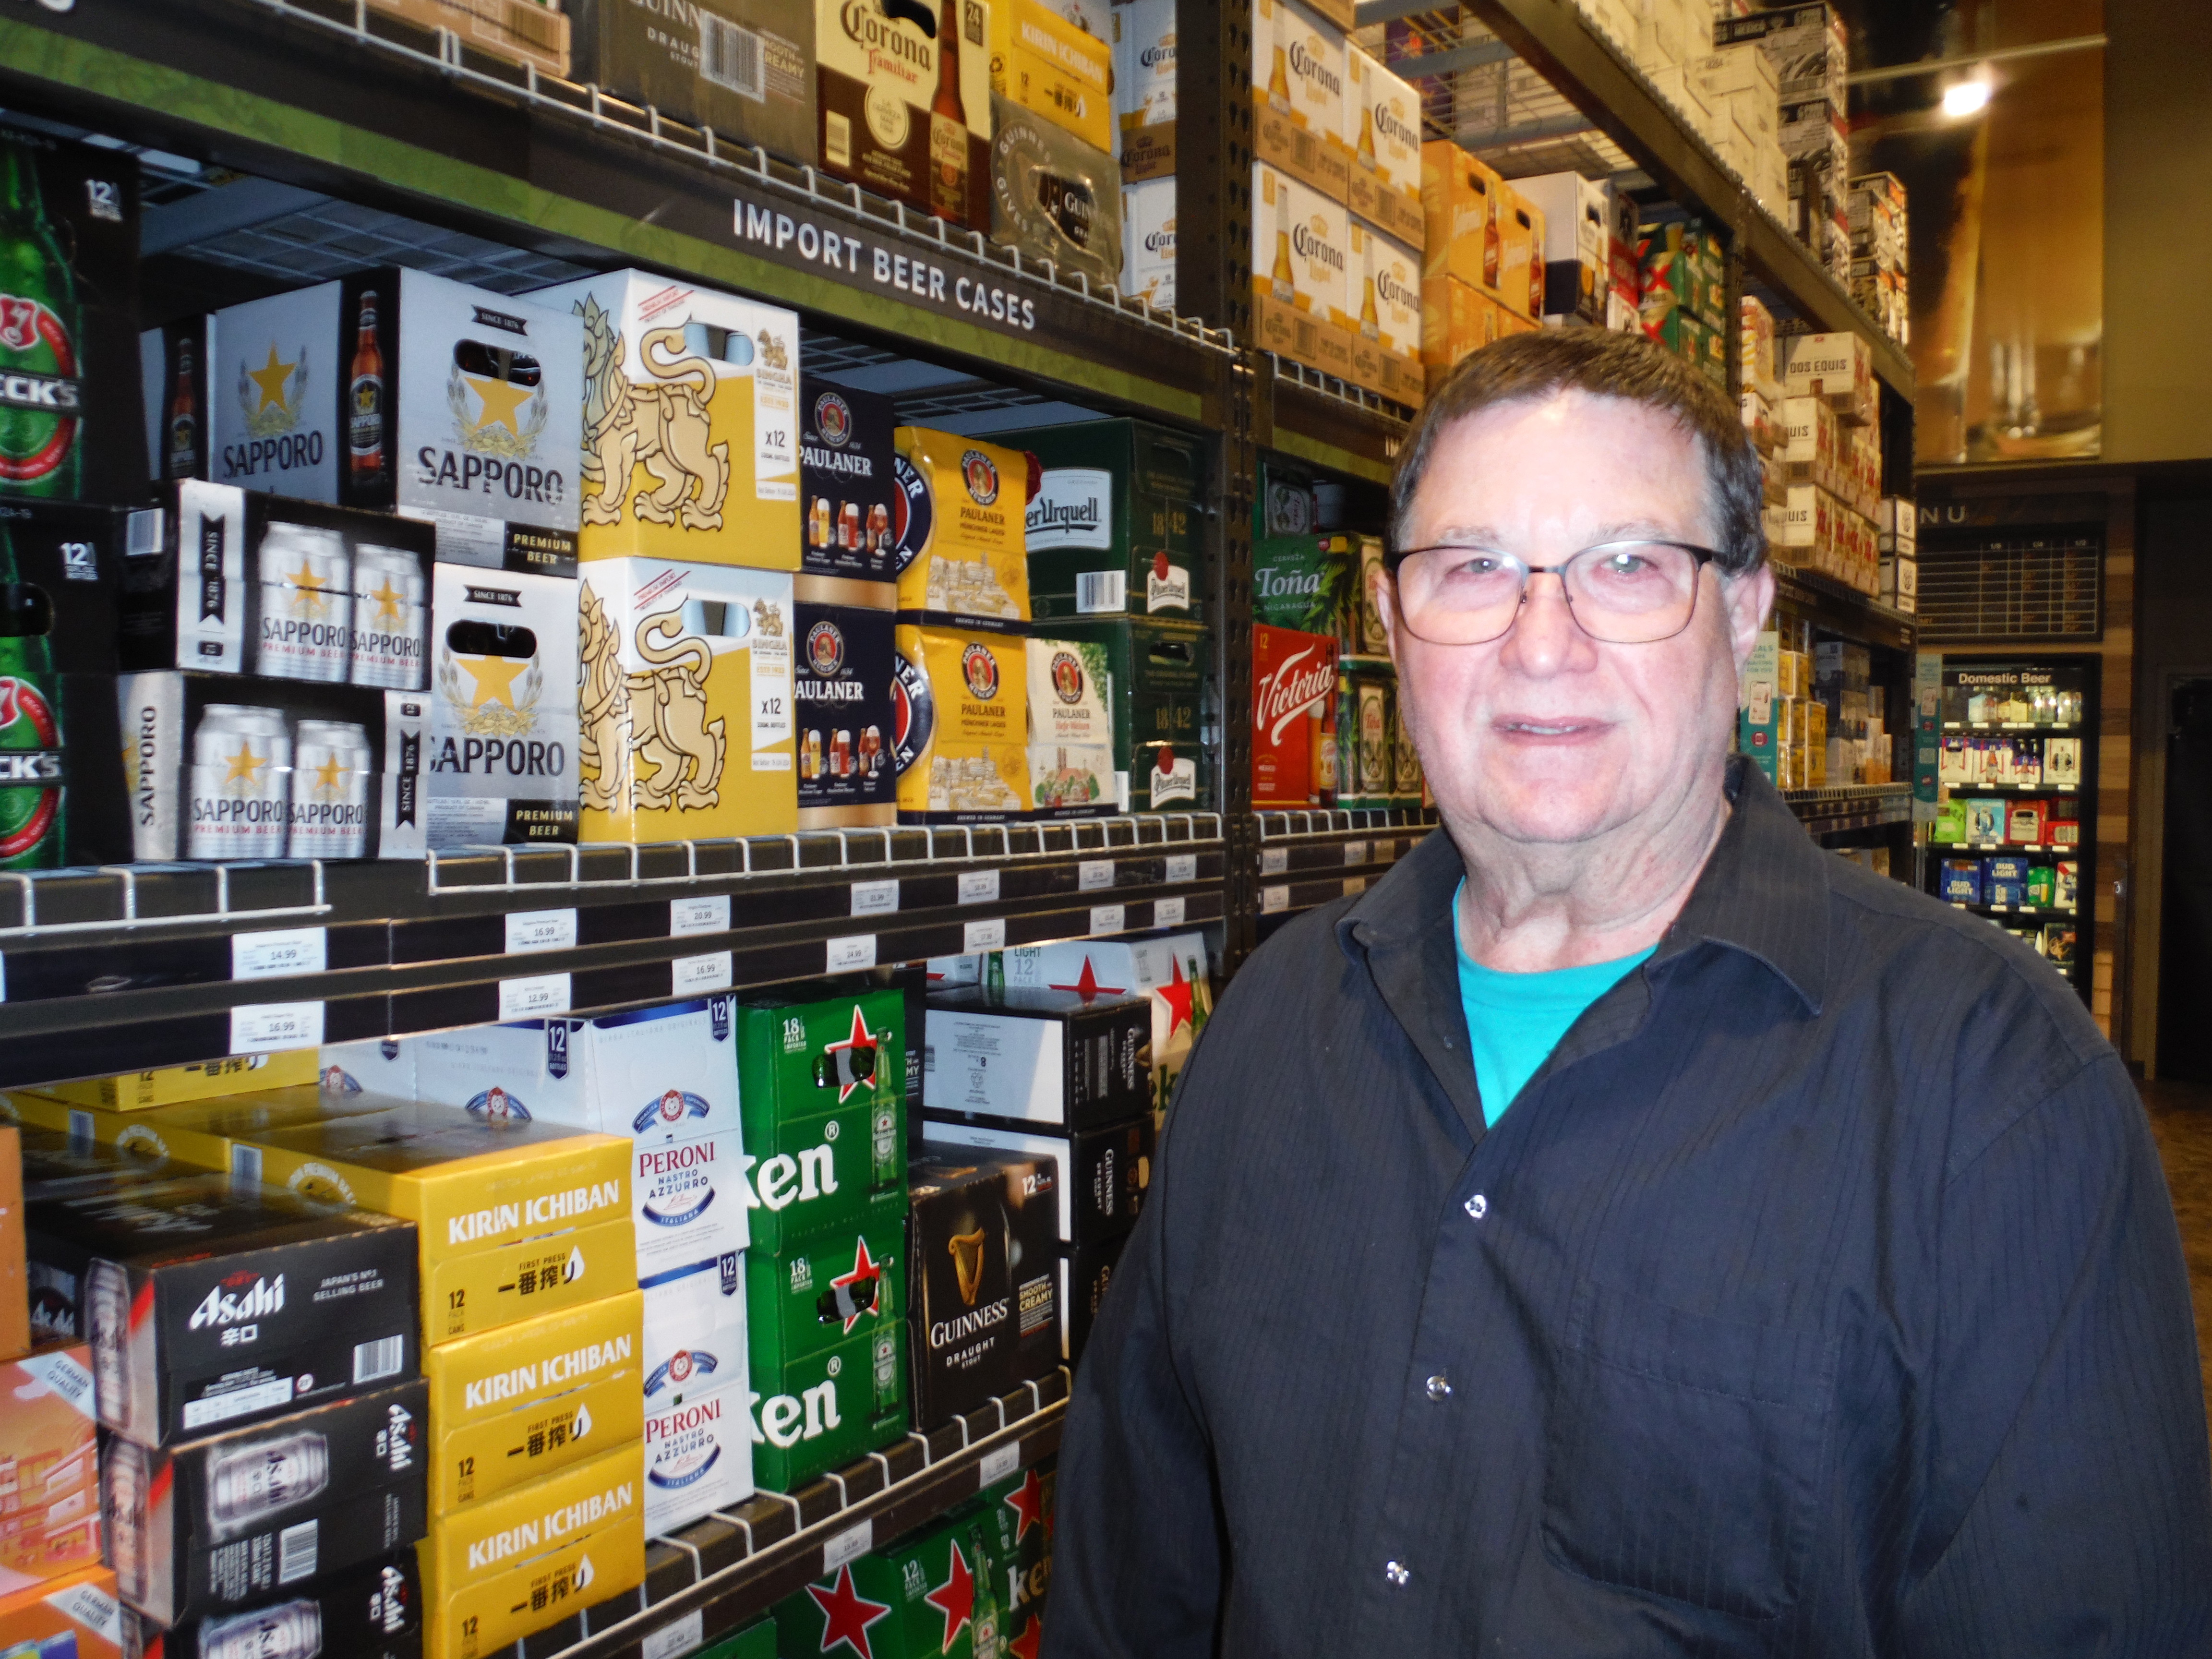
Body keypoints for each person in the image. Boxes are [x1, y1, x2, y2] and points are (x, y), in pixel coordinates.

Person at [1045, 331, 2212, 1655]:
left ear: (1744, 610)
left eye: (1627, 566)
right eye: (1473, 567)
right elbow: (1130, 1579)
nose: (1543, 646)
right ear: (1388, 620)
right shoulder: (1267, 1026)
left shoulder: (1992, 1087)